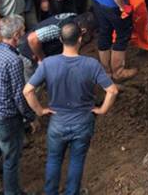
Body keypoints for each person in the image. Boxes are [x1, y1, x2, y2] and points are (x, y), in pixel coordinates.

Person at [24, 22, 119, 195]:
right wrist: (102, 110)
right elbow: (112, 90)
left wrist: (40, 111)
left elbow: (28, 91)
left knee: (53, 160)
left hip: (58, 122)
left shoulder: (48, 63)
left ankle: (50, 192)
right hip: (83, 121)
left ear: (60, 39)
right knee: (77, 160)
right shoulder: (91, 64)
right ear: (80, 39)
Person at [0, 15, 36, 195]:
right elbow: (19, 96)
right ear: (17, 35)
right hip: (5, 120)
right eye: (23, 31)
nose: (25, 34)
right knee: (11, 159)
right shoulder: (13, 61)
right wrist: (30, 116)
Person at [18, 12, 97, 80]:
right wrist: (41, 58)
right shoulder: (60, 28)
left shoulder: (74, 17)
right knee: (34, 83)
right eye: (90, 33)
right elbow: (33, 39)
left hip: (42, 48)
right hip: (29, 52)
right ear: (84, 30)